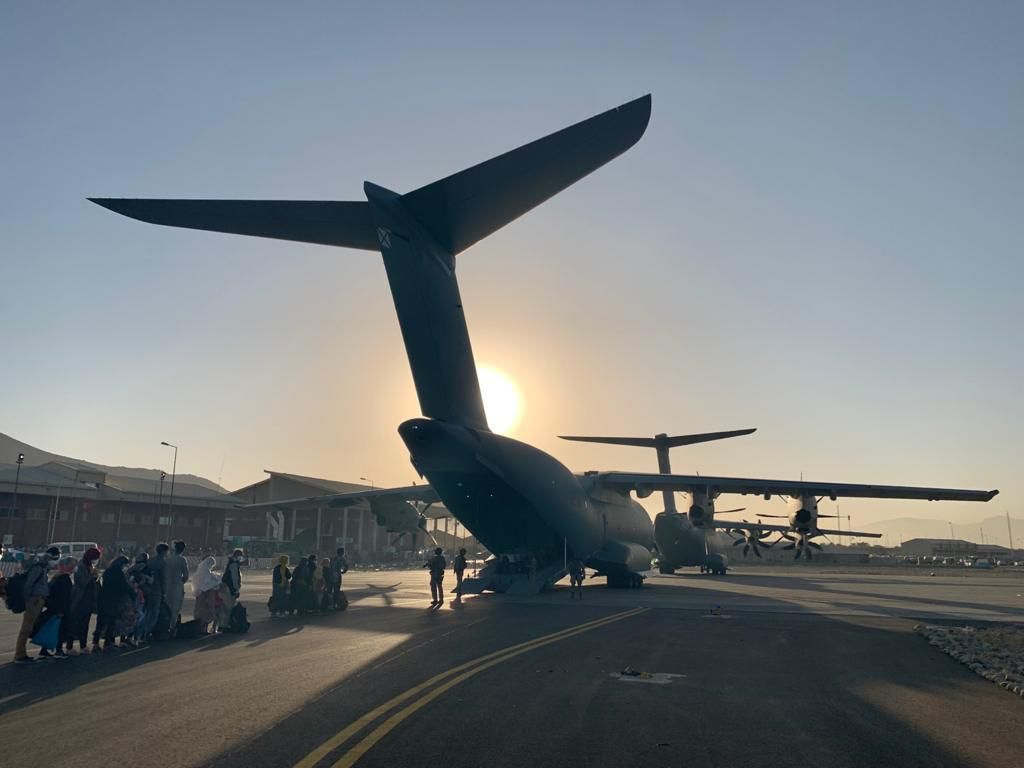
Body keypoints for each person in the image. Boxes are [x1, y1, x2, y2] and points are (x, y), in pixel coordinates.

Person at [14, 546, 61, 663]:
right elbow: (28, 585)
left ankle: (22, 653)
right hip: (34, 600)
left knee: (30, 627)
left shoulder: (43, 568)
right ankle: (20, 654)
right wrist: (29, 600)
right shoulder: (38, 568)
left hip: (39, 600)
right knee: (27, 628)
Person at [34, 554, 75, 659]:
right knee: (60, 630)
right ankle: (58, 650)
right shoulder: (65, 579)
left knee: (50, 627)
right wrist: (62, 610)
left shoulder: (56, 577)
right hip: (61, 609)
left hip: (52, 607)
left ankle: (44, 649)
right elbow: (64, 597)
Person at [94, 555, 134, 650]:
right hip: (113, 599)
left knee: (100, 622)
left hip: (103, 597)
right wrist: (133, 593)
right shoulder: (119, 572)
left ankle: (95, 643)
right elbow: (124, 586)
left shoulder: (108, 571)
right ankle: (107, 644)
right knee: (111, 621)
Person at [65, 547, 100, 654]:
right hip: (79, 599)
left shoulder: (90, 566)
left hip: (88, 600)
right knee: (75, 623)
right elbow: (81, 583)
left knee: (85, 624)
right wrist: (92, 577)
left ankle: (83, 645)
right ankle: (69, 646)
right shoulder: (80, 567)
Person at [126, 553, 154, 645]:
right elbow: (151, 580)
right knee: (142, 615)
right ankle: (138, 637)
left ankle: (129, 636)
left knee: (133, 614)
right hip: (144, 594)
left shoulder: (131, 569)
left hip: (133, 593)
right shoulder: (147, 568)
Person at [163, 540, 189, 637]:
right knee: (175, 609)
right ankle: (172, 630)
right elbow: (186, 575)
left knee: (166, 607)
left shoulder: (167, 558)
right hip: (177, 585)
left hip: (166, 585)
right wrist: (181, 581)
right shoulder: (182, 559)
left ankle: (163, 628)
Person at [192, 556, 222, 633]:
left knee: (200, 611)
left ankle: (201, 629)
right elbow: (208, 583)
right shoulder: (206, 572)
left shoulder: (200, 571)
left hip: (199, 594)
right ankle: (204, 629)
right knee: (207, 612)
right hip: (206, 595)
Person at [149, 543, 170, 639]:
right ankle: (150, 632)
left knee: (147, 611)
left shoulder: (150, 561)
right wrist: (164, 593)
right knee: (155, 612)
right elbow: (164, 580)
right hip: (157, 590)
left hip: (147, 588)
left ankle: (142, 633)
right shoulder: (163, 563)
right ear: (164, 552)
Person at [221, 548, 243, 618]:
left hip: (226, 586)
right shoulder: (234, 564)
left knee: (225, 606)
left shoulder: (230, 562)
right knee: (229, 606)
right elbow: (235, 578)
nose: (241, 557)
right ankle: (225, 623)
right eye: (240, 555)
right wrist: (236, 589)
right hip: (230, 587)